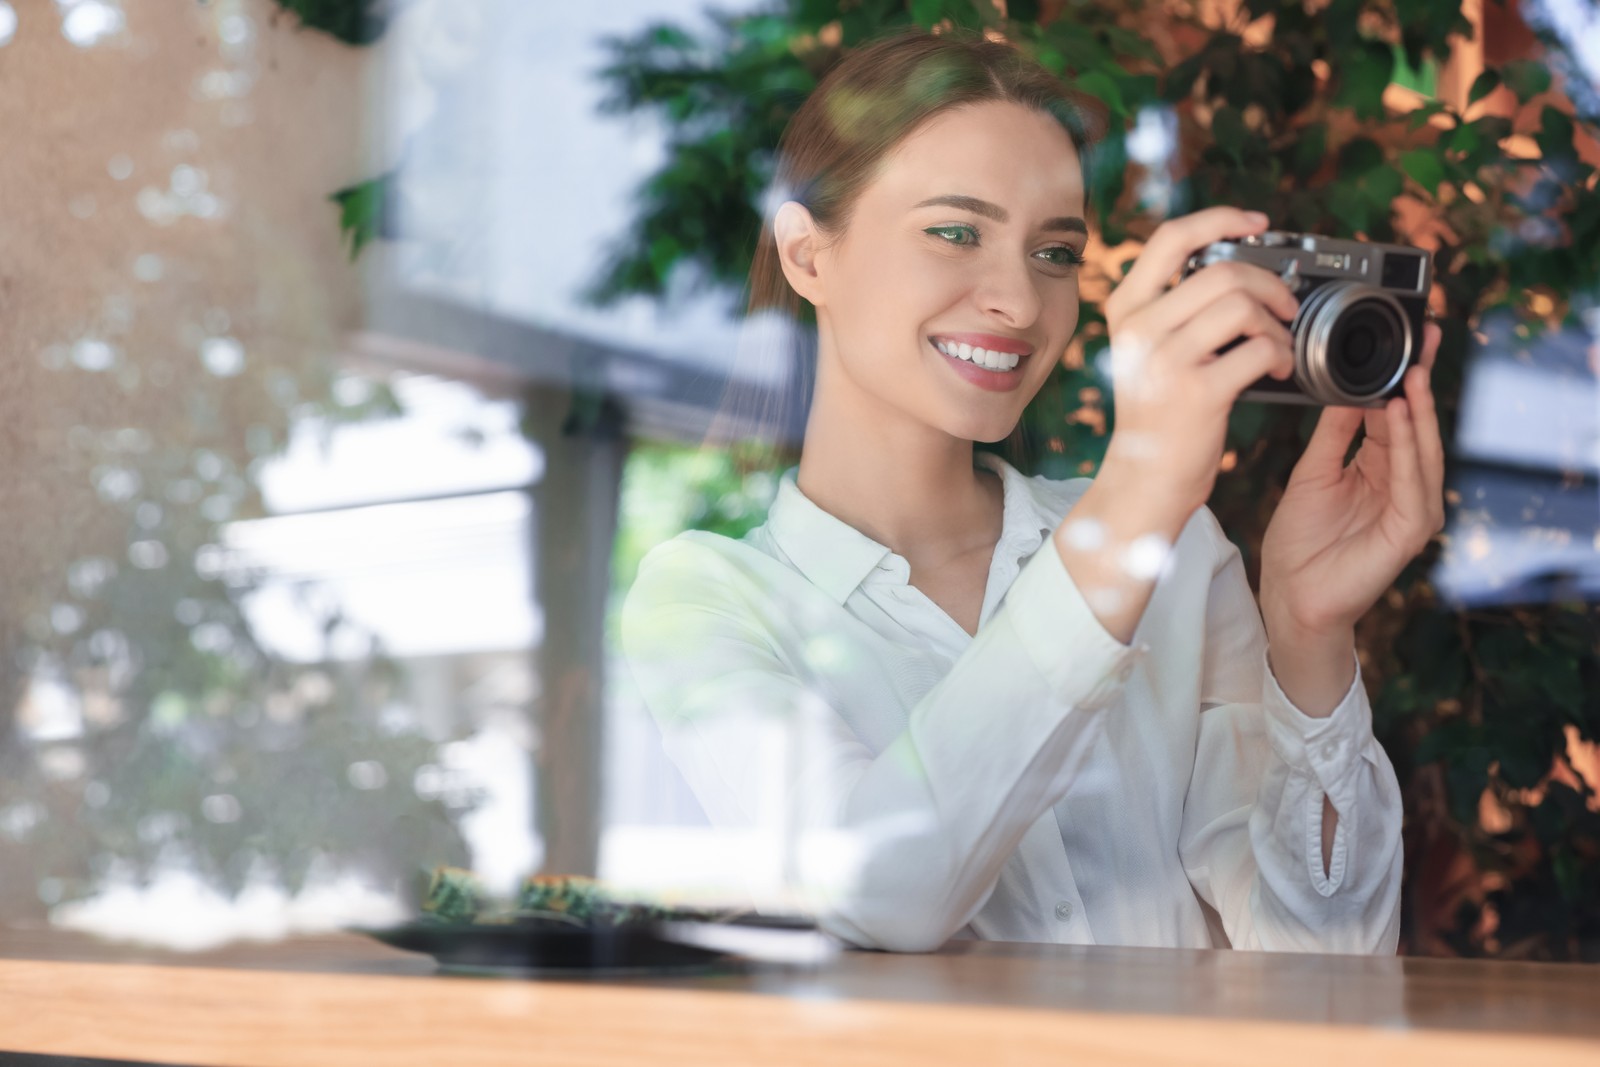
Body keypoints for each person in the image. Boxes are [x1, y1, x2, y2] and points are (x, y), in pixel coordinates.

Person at [619, 26, 1444, 954]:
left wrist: (1307, 635)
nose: (1018, 300)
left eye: (1054, 252)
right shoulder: (705, 600)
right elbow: (876, 890)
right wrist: (1134, 497)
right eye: (955, 232)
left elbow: (1324, 965)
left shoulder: (1178, 552)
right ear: (810, 257)